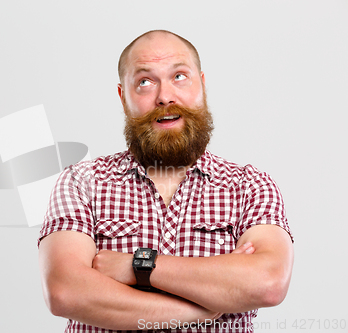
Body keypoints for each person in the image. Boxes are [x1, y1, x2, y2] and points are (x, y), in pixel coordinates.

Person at [38, 30, 294, 333]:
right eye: (145, 82)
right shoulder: (81, 182)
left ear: (202, 84)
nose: (165, 96)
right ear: (123, 97)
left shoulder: (249, 186)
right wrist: (204, 308)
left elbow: (267, 283)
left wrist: (136, 265)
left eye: (180, 76)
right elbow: (66, 291)